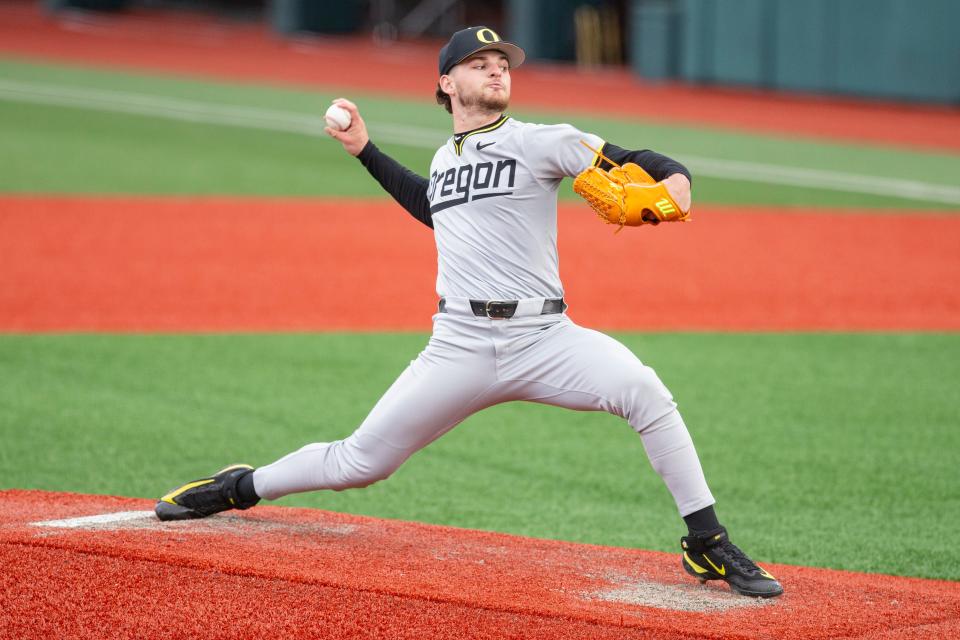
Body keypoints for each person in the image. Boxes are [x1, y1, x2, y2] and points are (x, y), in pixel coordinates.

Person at [155, 26, 783, 599]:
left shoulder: (543, 142)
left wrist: (676, 182)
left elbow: (647, 162)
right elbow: (434, 208)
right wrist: (365, 150)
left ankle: (706, 543)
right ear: (446, 84)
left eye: (501, 63)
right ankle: (239, 486)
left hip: (545, 336)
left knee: (644, 391)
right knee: (360, 463)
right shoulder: (444, 159)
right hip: (458, 343)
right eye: (479, 64)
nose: (496, 71)